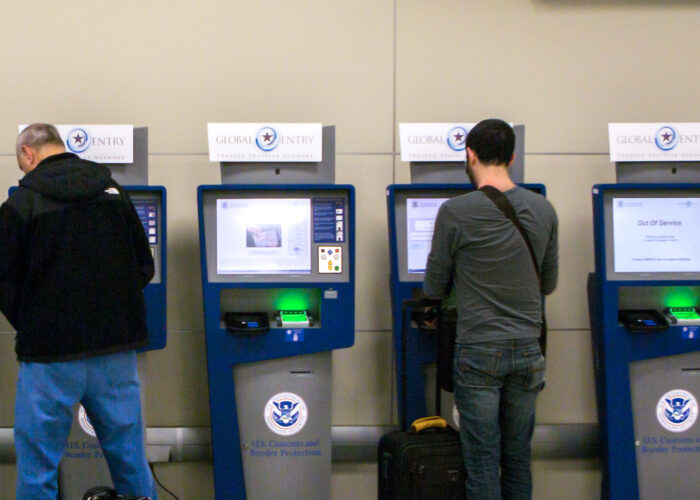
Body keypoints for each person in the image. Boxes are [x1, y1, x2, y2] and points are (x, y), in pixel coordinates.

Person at [0, 123, 158, 499]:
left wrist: (36, 321)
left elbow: (4, 282)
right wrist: (109, 310)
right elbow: (144, 265)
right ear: (62, 146)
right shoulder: (113, 193)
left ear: (27, 154)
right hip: (115, 350)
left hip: (49, 356)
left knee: (39, 468)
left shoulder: (20, 205)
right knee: (130, 459)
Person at [423, 119, 558, 499]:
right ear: (513, 157)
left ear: (470, 154)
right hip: (528, 351)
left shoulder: (455, 211)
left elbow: (433, 286)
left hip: (479, 351)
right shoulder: (544, 209)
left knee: (482, 462)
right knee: (517, 459)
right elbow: (548, 284)